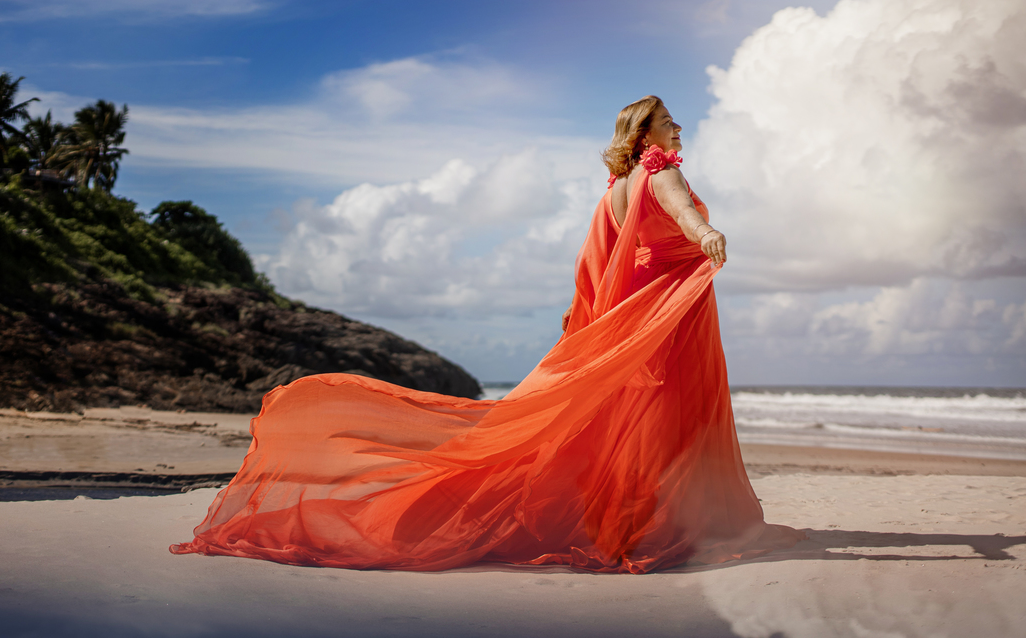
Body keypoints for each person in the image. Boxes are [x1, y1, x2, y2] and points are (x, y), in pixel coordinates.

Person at [171, 95, 801, 573]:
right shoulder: (661, 170)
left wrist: (584, 320)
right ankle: (655, 527)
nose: (677, 131)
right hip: (662, 316)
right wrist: (706, 235)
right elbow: (686, 213)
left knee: (632, 420)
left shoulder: (613, 191)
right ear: (645, 135)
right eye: (669, 123)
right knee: (665, 418)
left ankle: (633, 525)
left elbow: (593, 265)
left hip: (631, 314)